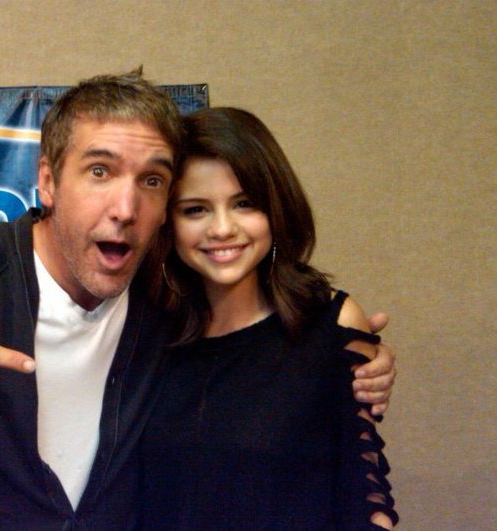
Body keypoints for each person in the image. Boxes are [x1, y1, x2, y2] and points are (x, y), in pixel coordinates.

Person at [0, 71, 395, 530]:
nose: (125, 208)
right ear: (48, 181)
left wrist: (347, 353)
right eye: (100, 171)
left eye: (151, 180)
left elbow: (264, 345)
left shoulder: (168, 291)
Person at [139, 107, 398, 530]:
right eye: (196, 209)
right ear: (169, 222)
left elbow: (364, 490)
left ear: (276, 208)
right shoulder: (145, 332)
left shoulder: (330, 324)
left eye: (244, 204)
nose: (222, 229)